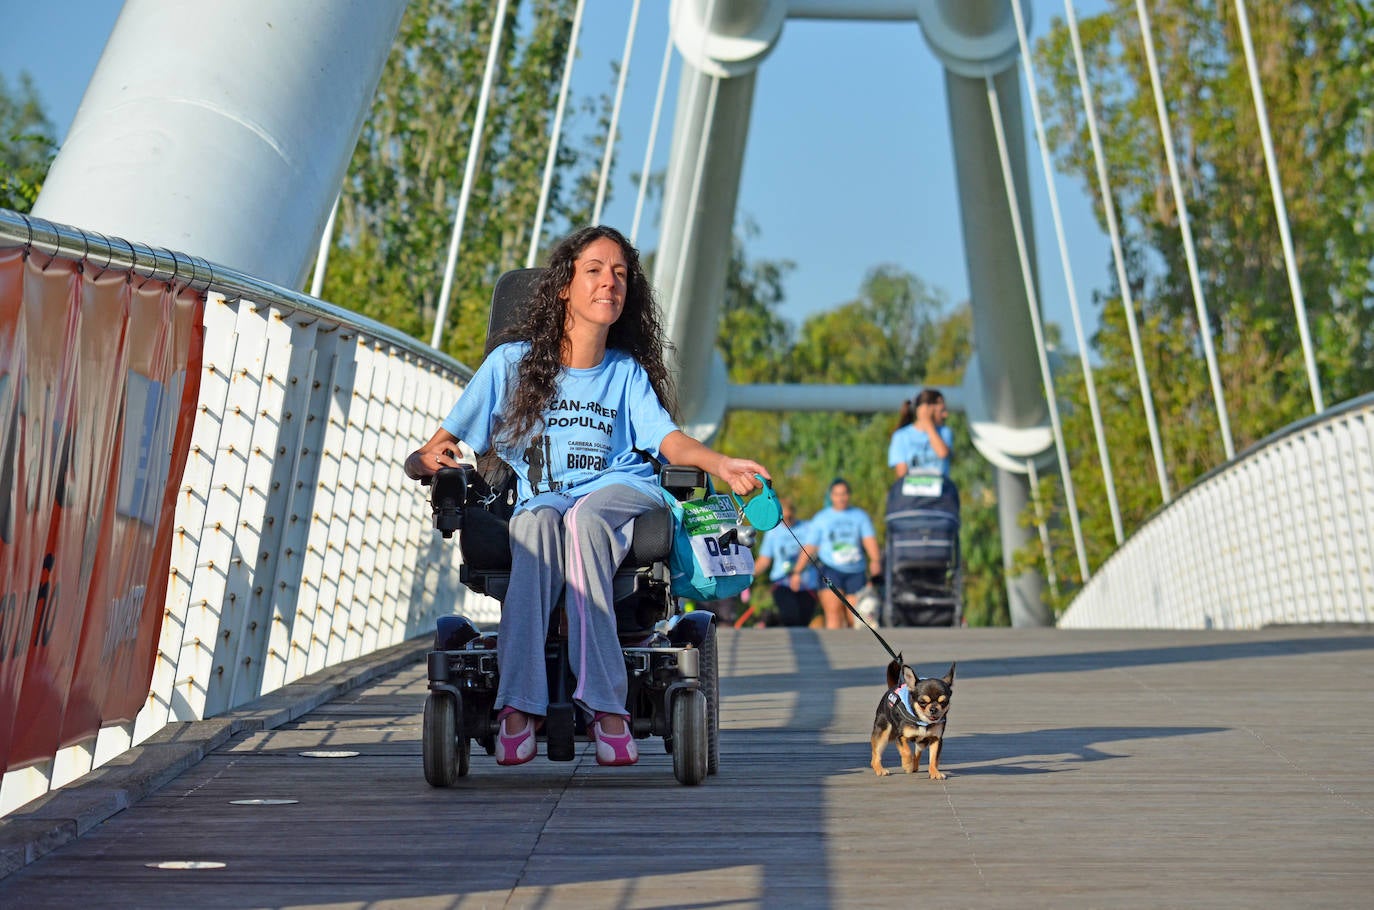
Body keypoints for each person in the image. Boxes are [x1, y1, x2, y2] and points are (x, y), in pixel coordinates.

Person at [404, 225, 769, 768]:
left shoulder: (624, 372)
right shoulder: (511, 365)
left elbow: (666, 440)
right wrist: (427, 462)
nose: (609, 283)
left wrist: (720, 463)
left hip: (621, 491)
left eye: (620, 274)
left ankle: (607, 707)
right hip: (546, 500)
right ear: (563, 288)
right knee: (534, 525)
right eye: (595, 270)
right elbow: (428, 452)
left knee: (586, 520)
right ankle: (518, 708)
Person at [791, 478, 881, 629]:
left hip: (856, 570)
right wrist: (797, 572)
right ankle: (835, 651)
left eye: (844, 494)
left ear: (849, 495)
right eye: (837, 494)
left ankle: (855, 650)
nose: (841, 498)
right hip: (831, 569)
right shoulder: (822, 518)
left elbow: (869, 541)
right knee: (834, 614)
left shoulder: (860, 516)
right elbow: (810, 547)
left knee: (856, 617)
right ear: (831, 496)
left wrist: (875, 561)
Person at [744, 497, 818, 627]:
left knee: (803, 621)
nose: (787, 521)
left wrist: (797, 572)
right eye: (783, 518)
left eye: (790, 517)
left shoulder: (808, 527)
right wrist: (747, 576)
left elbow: (814, 549)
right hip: (782, 582)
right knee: (790, 617)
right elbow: (765, 560)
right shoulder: (773, 532)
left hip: (807, 583)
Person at [888, 388, 953, 478]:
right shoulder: (901, 436)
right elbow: (901, 475)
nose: (946, 415)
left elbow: (942, 453)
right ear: (928, 409)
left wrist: (928, 425)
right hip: (912, 489)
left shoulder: (945, 432)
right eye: (942, 411)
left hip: (942, 490)